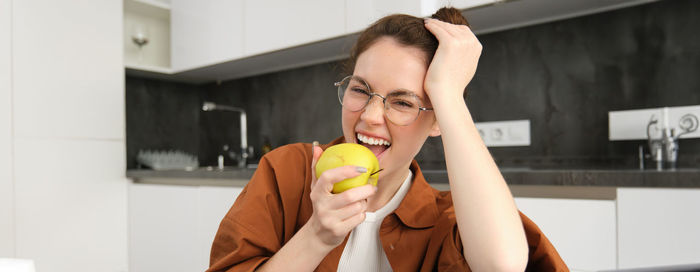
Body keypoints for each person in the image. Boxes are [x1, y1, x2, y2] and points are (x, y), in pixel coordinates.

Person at [207, 7, 568, 272]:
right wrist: (316, 236)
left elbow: (501, 264)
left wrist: (447, 94)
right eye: (361, 89)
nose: (370, 116)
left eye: (402, 102)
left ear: (437, 120)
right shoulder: (286, 172)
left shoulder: (449, 221)